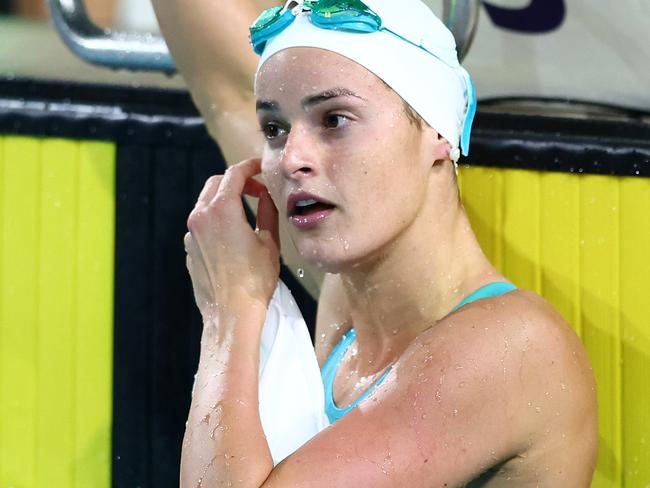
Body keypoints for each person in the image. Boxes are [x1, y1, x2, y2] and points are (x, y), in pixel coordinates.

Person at [153, 0, 598, 486]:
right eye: (275, 129)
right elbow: (224, 89)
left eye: (335, 120)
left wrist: (229, 313)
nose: (291, 159)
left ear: (438, 131)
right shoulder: (349, 302)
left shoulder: (510, 349)